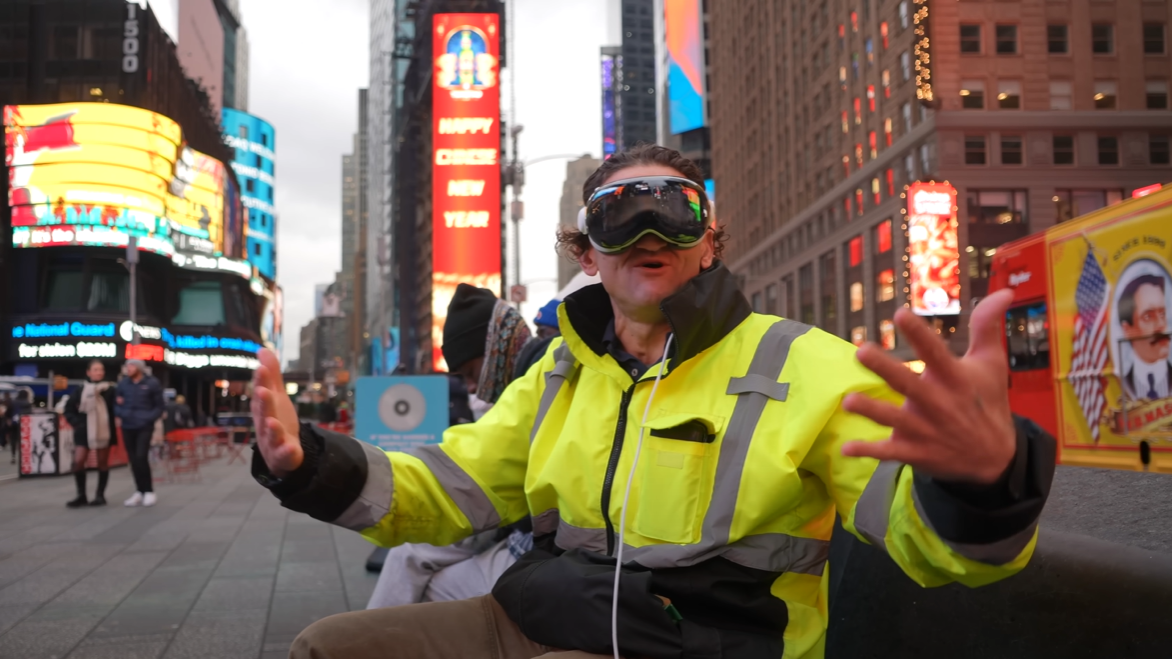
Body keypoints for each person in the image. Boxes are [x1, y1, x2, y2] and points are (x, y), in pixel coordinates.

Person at [251, 145, 1056, 659]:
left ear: (710, 243)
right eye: (616, 213)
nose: (649, 229)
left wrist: (985, 483)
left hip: (707, 644)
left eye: (676, 209)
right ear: (587, 256)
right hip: (538, 618)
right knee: (328, 646)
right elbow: (448, 483)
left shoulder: (806, 365)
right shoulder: (560, 372)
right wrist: (307, 463)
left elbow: (919, 532)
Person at [366, 284, 535, 609]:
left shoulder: (535, 385)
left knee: (426, 578)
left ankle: (369, 639)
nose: (471, 388)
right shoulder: (530, 378)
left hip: (535, 547)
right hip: (522, 533)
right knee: (412, 554)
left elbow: (481, 479)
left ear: (498, 351)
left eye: (471, 373)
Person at [62, 360, 118, 507]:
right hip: (83, 430)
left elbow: (116, 409)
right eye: (95, 369)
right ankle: (81, 495)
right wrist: (76, 423)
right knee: (78, 461)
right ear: (88, 372)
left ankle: (100, 495)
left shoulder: (111, 389)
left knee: (102, 462)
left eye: (101, 369)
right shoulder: (80, 390)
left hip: (104, 430)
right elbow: (68, 409)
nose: (99, 372)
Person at [115, 359, 164, 507]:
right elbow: (116, 403)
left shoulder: (152, 383)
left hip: (144, 426)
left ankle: (149, 491)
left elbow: (159, 406)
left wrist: (148, 418)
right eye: (127, 366)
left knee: (141, 456)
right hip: (128, 425)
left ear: (139, 368)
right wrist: (122, 414)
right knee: (133, 459)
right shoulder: (123, 384)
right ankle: (139, 491)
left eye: (131, 366)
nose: (128, 369)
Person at [1117, 273, 1171, 400]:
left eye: (1162, 314)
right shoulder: (1121, 385)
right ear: (1127, 330)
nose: (1161, 325)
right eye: (1148, 316)